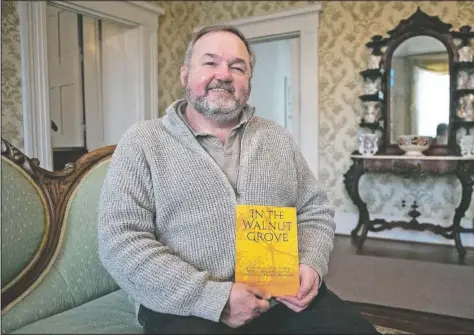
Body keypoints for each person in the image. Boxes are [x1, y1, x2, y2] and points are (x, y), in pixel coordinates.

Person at [97, 24, 380, 335]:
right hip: (184, 305)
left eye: (237, 66)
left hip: (279, 296)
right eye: (210, 62)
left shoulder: (276, 138)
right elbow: (120, 241)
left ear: (248, 81)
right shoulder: (143, 141)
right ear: (184, 75)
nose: (224, 74)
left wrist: (311, 263)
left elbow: (314, 210)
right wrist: (215, 299)